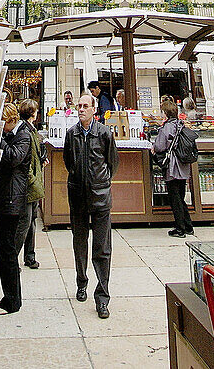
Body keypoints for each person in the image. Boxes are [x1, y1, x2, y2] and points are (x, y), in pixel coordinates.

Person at [63, 91, 119, 319]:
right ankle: (81, 282)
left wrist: (101, 182)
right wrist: (78, 178)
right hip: (78, 196)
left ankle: (102, 296)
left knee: (102, 248)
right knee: (79, 242)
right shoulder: (71, 134)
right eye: (79, 106)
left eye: (86, 106)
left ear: (94, 109)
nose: (81, 109)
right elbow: (69, 161)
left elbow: (112, 162)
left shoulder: (104, 133)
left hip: (100, 196)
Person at [0, 102, 32, 315]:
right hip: (4, 198)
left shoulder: (23, 135)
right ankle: (8, 296)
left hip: (12, 200)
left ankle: (13, 303)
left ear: (10, 121)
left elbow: (14, 158)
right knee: (4, 251)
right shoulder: (13, 135)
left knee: (9, 252)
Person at [153, 96, 197, 239]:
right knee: (181, 196)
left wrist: (153, 149)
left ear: (165, 113)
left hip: (172, 167)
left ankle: (180, 228)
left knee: (175, 198)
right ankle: (188, 225)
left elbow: (159, 146)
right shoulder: (180, 124)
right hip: (183, 166)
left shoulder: (166, 128)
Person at [15, 98, 46, 269]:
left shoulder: (30, 130)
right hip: (29, 184)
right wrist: (32, 179)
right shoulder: (25, 131)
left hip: (33, 182)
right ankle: (14, 257)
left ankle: (29, 256)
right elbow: (26, 159)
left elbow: (34, 154)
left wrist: (42, 158)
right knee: (25, 222)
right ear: (33, 113)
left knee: (31, 220)